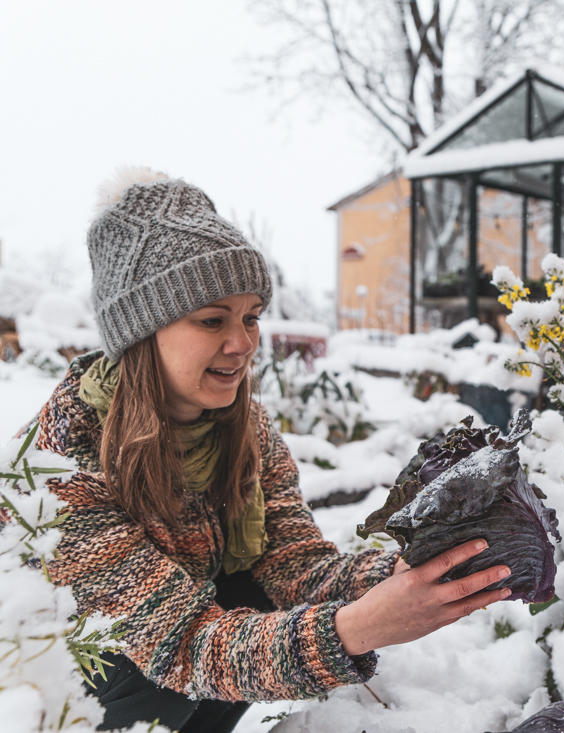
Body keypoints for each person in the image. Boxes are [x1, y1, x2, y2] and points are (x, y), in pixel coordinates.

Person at [24, 168, 511, 732]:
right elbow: (180, 643)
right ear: (140, 333)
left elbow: (294, 567)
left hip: (182, 660)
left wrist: (406, 572)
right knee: (140, 666)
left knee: (251, 594)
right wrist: (355, 629)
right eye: (213, 320)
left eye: (251, 317)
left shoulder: (244, 429)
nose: (243, 343)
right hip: (67, 691)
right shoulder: (59, 463)